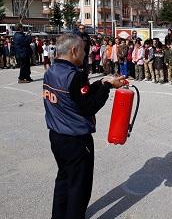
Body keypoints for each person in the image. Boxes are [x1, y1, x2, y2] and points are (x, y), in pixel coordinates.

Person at [43, 33, 125, 218]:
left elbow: (79, 95)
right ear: (74, 50)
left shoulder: (52, 71)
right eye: (82, 49)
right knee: (79, 188)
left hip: (57, 136)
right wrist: (105, 89)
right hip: (76, 141)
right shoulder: (74, 76)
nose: (84, 53)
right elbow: (89, 106)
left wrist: (104, 82)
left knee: (64, 179)